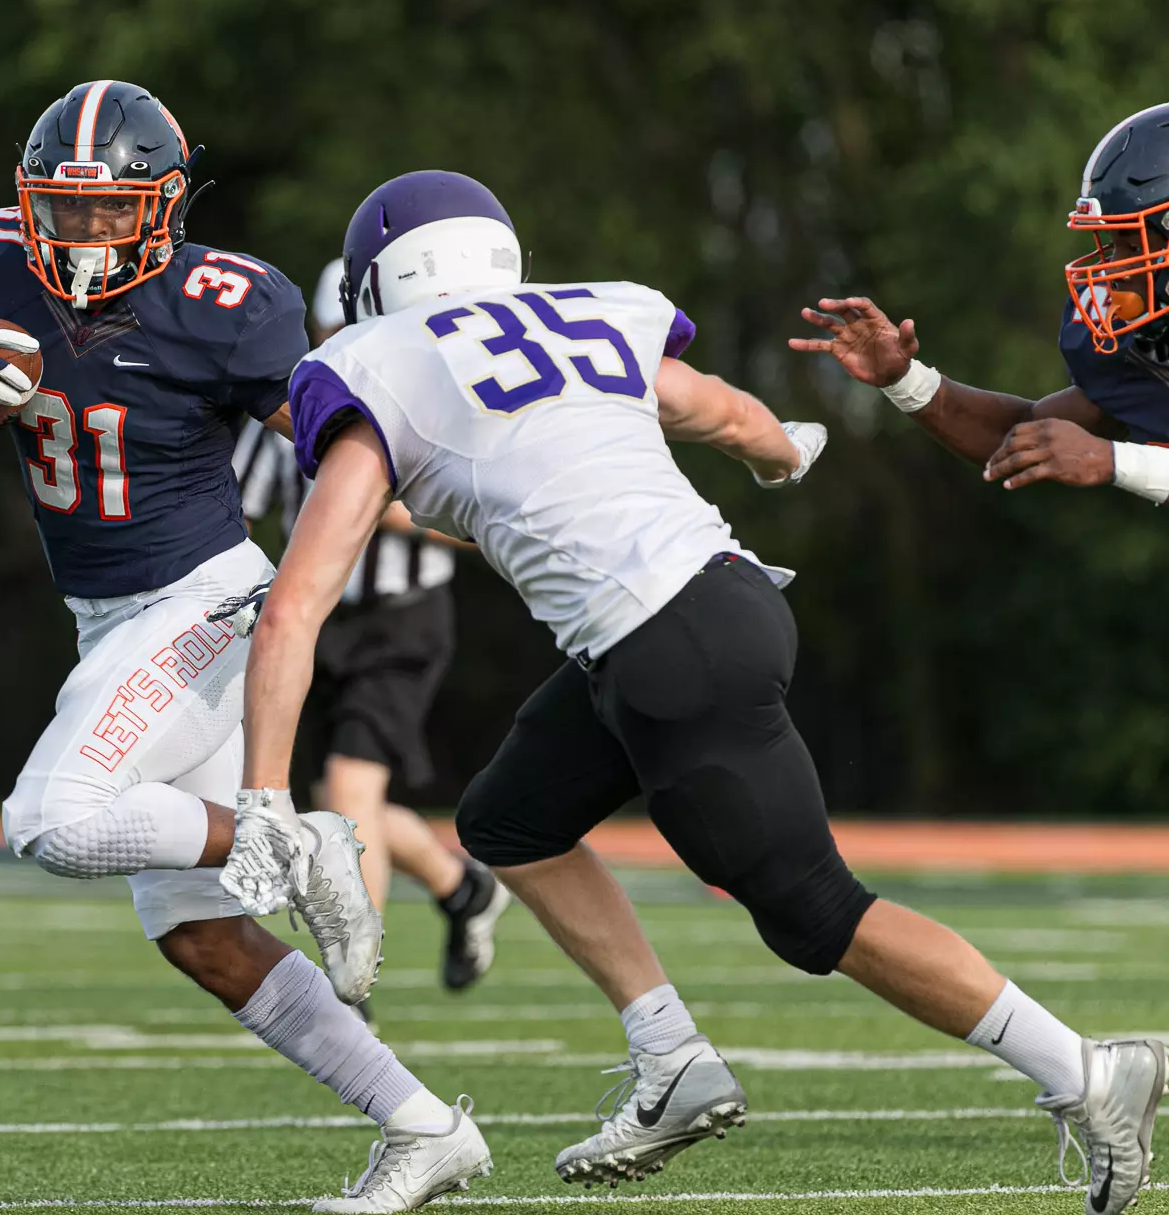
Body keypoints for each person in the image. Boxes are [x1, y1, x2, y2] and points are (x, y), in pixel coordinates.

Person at [219, 169, 1165, 1214]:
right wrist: (784, 456)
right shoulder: (586, 316)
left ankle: (1087, 1071)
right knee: (510, 818)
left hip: (666, 645)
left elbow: (295, 609)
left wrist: (265, 793)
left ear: (375, 284)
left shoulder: (374, 368)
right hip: (709, 607)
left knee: (816, 912)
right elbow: (734, 418)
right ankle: (670, 1056)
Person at [0, 82, 485, 1214]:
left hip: (202, 601)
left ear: (167, 203)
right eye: (61, 208)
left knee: (49, 818)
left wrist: (482, 492)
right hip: (105, 619)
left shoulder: (232, 302)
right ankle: (425, 1127)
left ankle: (300, 837)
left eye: (108, 212)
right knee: (199, 933)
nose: (81, 234)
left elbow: (343, 444)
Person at [232, 259, 510, 1009]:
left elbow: (493, 525)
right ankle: (462, 887)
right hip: (317, 618)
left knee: (350, 792)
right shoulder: (293, 408)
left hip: (402, 617)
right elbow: (238, 510)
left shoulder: (437, 412)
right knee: (338, 799)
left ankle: (351, 992)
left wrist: (392, 510)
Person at [788, 103, 1169, 506]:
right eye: (1114, 245)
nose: (1114, 268)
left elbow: (1097, 456)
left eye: (1132, 245)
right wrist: (905, 381)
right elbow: (1026, 435)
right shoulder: (1141, 341)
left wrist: (1112, 460)